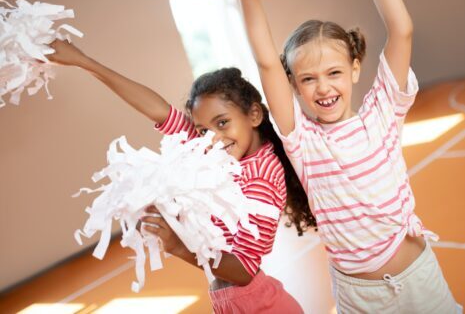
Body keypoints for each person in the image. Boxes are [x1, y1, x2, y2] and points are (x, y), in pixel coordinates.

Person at [237, 0, 461, 312]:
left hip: (419, 281)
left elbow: (401, 29)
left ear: (355, 69)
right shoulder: (302, 140)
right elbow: (265, 60)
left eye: (334, 73)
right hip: (360, 298)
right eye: (307, 79)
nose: (323, 87)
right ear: (292, 85)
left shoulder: (382, 113)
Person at [47, 40, 308, 313]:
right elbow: (158, 109)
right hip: (234, 302)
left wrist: (180, 247)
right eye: (202, 130)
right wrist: (84, 62)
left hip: (260, 306)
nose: (213, 139)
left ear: (253, 114)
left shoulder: (261, 176)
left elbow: (244, 270)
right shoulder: (219, 152)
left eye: (222, 123)